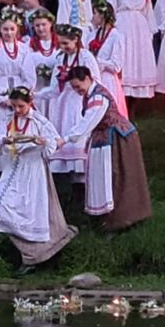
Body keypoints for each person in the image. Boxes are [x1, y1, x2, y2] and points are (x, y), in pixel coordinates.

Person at [0, 87, 77, 275]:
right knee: (2, 204)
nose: (17, 110)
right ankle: (29, 252)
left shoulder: (40, 121)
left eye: (21, 106)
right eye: (14, 106)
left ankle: (34, 257)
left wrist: (42, 143)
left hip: (34, 168)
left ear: (29, 103)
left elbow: (53, 143)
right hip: (13, 166)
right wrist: (4, 140)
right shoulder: (7, 120)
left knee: (33, 211)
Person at [66, 66, 152, 231]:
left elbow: (88, 122)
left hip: (119, 138)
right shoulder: (91, 95)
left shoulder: (99, 97)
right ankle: (105, 218)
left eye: (77, 86)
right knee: (105, 177)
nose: (77, 91)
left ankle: (122, 219)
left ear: (87, 78)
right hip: (104, 138)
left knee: (118, 177)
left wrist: (65, 140)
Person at [35, 24, 100, 176]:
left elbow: (95, 80)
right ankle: (70, 178)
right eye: (60, 43)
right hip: (63, 103)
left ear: (76, 40)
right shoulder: (60, 58)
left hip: (79, 102)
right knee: (64, 133)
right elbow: (54, 87)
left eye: (66, 43)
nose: (63, 47)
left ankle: (82, 181)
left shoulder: (85, 57)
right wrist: (37, 95)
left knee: (79, 137)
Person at [106, 0, 158, 104]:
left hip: (140, 28)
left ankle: (135, 102)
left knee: (138, 59)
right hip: (123, 25)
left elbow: (148, 9)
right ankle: (122, 100)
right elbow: (111, 8)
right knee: (126, 57)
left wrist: (150, 30)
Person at [0, 7, 37, 138]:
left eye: (12, 29)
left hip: (19, 92)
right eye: (5, 29)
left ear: (17, 29)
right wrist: (1, 98)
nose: (9, 33)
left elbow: (29, 76)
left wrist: (21, 96)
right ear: (0, 29)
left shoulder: (23, 49)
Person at [88, 1, 128, 117]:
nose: (93, 17)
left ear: (103, 15)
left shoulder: (116, 36)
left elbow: (116, 65)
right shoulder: (93, 34)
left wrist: (99, 62)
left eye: (95, 13)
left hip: (108, 80)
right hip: (94, 78)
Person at [28, 9, 60, 117]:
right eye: (37, 25)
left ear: (50, 24)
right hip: (38, 89)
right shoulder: (29, 44)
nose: (41, 28)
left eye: (43, 24)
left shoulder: (60, 43)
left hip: (56, 91)